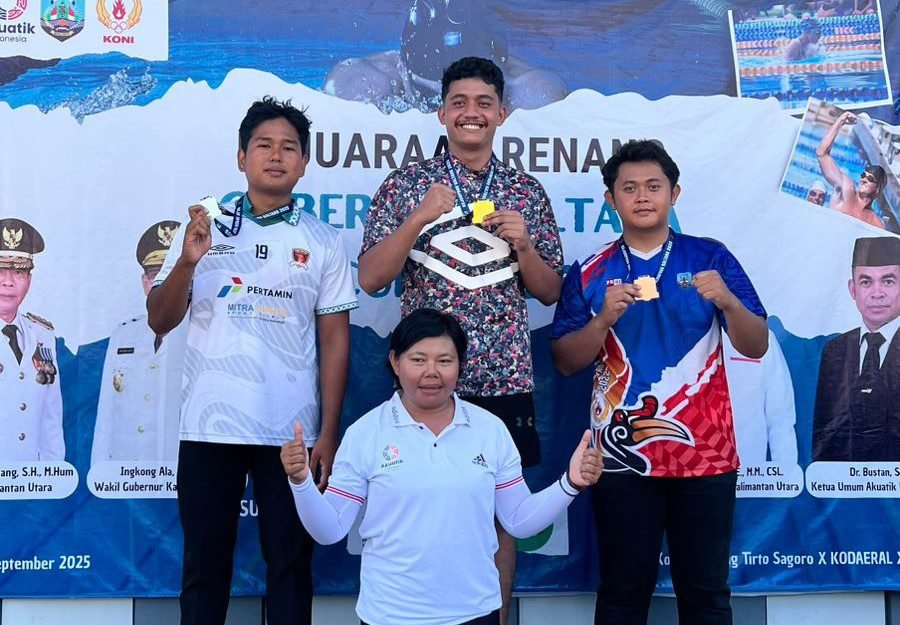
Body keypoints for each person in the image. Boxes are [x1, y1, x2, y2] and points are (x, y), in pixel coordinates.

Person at [357, 56, 564, 625]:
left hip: (503, 380)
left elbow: (551, 293)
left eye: (483, 103)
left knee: (499, 521)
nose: (471, 113)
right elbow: (370, 278)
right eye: (459, 103)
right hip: (424, 382)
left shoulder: (525, 191)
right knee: (415, 510)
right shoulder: (407, 185)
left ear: (503, 113)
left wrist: (525, 246)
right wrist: (417, 219)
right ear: (441, 112)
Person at [147, 97, 358, 625]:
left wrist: (328, 433)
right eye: (263, 145)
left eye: (289, 147)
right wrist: (188, 263)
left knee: (290, 567)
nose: (276, 155)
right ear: (241, 157)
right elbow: (159, 319)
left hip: (291, 432)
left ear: (304, 163)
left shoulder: (323, 239)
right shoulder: (203, 227)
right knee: (204, 568)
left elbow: (335, 342)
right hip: (209, 427)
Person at [550, 140, 768, 625]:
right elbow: (564, 362)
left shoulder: (710, 257)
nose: (642, 197)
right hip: (620, 456)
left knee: (707, 596)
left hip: (705, 453)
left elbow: (756, 345)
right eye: (629, 188)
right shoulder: (589, 270)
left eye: (654, 186)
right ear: (611, 199)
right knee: (622, 594)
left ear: (674, 193)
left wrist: (729, 302)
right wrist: (602, 320)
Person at [281, 308, 602, 625]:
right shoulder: (365, 433)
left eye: (445, 361)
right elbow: (329, 530)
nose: (431, 372)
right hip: (390, 615)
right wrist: (301, 483)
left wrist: (569, 484)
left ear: (460, 364)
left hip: (476, 612)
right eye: (418, 360)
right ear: (395, 361)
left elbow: (518, 521)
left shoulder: (489, 430)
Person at [323, 0, 567, 112]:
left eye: (475, 99)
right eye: (430, 98)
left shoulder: (530, 90)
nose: (444, 114)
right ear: (403, 70)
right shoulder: (364, 82)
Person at [91, 220, 186, 466]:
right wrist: (99, 472)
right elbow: (106, 416)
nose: (165, 283)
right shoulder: (124, 335)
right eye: (157, 276)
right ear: (145, 282)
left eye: (172, 274)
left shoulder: (205, 334)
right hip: (126, 473)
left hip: (179, 469)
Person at [813, 236, 900, 461]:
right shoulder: (835, 351)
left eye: (888, 281)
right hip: (843, 480)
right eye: (866, 282)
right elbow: (824, 434)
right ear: (853, 289)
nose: (877, 293)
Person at [0, 217, 64, 461]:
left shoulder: (43, 336)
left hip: (31, 478)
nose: (8, 282)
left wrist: (52, 474)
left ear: (29, 279)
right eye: (0, 270)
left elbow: (51, 421)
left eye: (18, 271)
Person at [724, 330, 798, 465]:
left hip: (747, 469)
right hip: (688, 466)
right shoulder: (683, 340)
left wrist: (786, 469)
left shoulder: (759, 337)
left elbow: (780, 416)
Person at [817, 111, 887, 229]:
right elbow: (821, 154)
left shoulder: (877, 224)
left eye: (870, 179)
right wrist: (841, 120)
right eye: (863, 175)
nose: (863, 180)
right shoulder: (846, 190)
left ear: (877, 189)